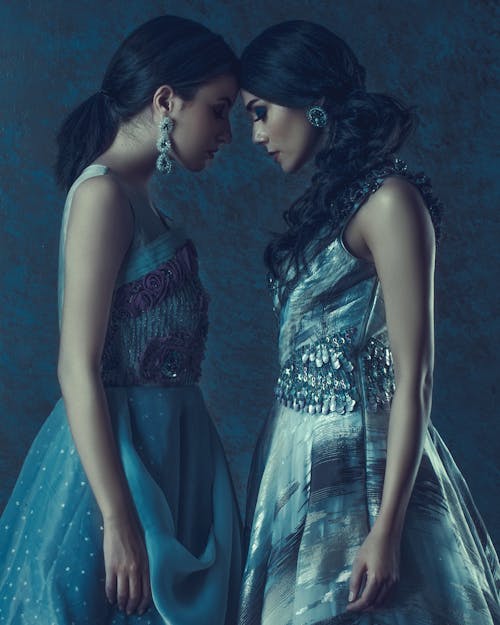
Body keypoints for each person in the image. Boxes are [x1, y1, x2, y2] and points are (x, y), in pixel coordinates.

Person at [237, 20, 499, 625]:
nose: (256, 135)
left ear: (310, 102)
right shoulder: (333, 203)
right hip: (294, 454)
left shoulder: (389, 201)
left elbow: (417, 378)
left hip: (363, 467)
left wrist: (385, 530)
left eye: (260, 112)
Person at [0, 15, 242, 625]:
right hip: (120, 465)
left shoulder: (142, 201)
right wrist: (118, 517)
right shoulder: (102, 195)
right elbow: (75, 365)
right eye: (218, 109)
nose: (227, 132)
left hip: (176, 457)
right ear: (166, 101)